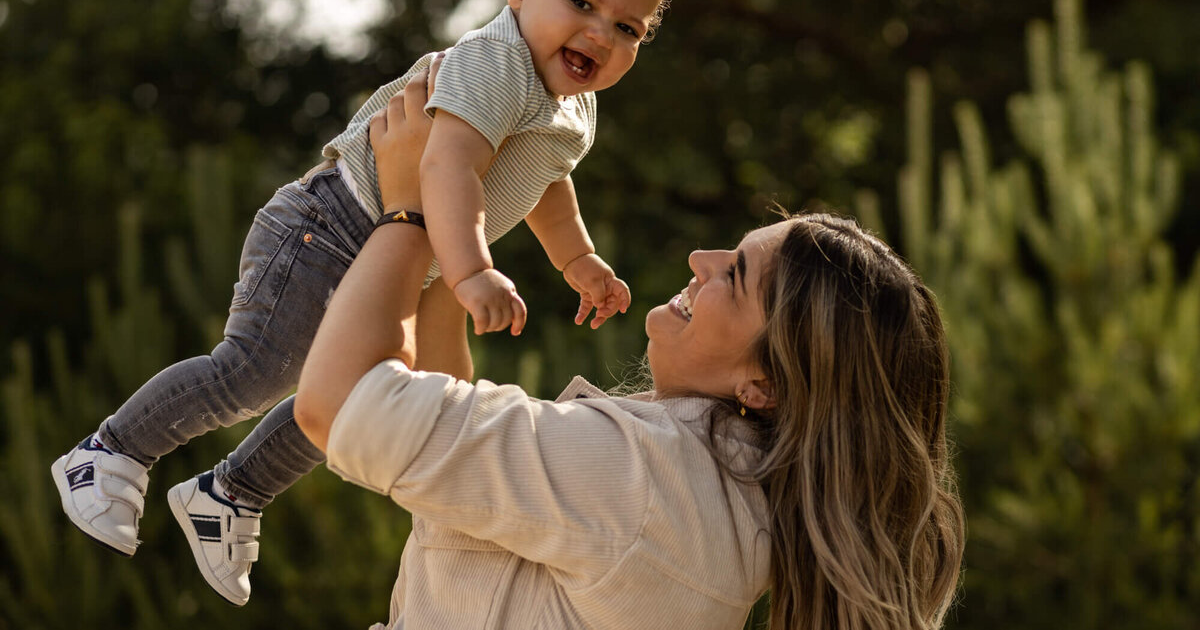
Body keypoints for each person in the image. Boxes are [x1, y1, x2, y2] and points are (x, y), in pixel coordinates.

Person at [50, 0, 683, 606]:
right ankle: (110, 452)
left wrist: (577, 258)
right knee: (255, 369)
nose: (600, 35)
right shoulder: (497, 60)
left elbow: (547, 178)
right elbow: (445, 161)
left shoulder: (572, 108)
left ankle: (229, 496)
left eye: (628, 28)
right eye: (581, 4)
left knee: (362, 396)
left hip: (393, 256)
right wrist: (471, 269)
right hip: (329, 226)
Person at [292, 66, 966, 630]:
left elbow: (335, 403)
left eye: (733, 275)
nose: (700, 259)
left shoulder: (642, 479)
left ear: (764, 386)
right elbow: (453, 452)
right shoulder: (711, 497)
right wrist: (452, 227)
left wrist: (407, 209)